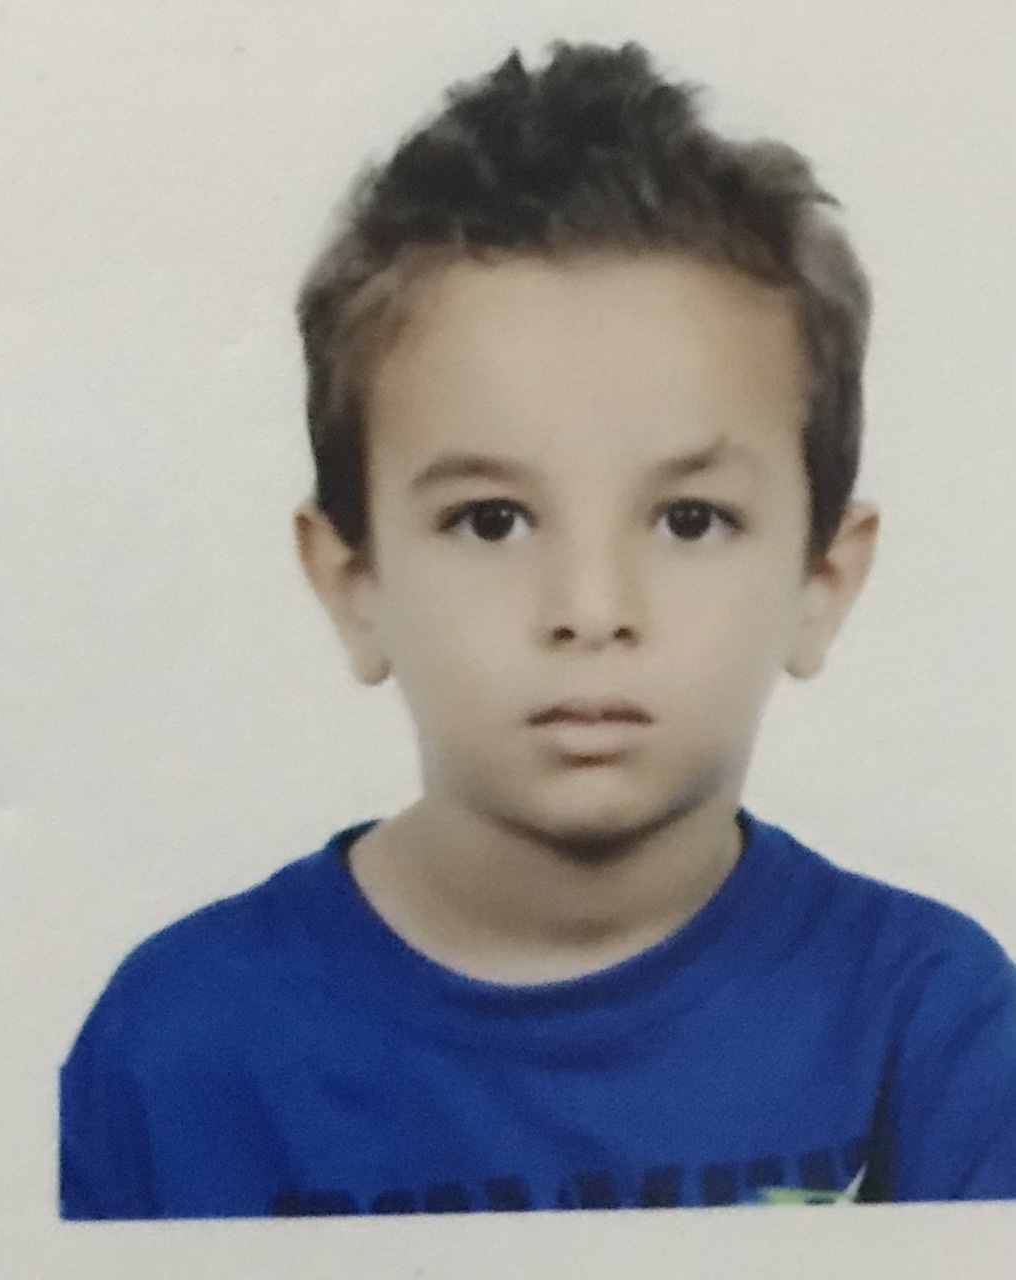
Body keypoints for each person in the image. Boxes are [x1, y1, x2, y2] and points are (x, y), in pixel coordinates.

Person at [59, 39, 1016, 1219]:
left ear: (822, 579)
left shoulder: (933, 1027)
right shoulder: (178, 1048)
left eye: (690, 518)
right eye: (492, 519)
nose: (591, 608)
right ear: (353, 580)